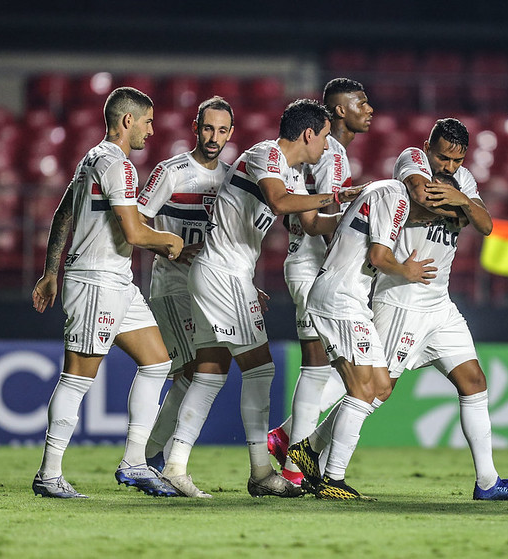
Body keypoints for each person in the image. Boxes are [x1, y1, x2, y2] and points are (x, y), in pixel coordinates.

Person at [160, 99, 363, 498]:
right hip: (223, 274)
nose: (327, 146)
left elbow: (310, 222)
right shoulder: (265, 154)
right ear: (308, 134)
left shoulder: (293, 174)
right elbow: (280, 203)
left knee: (210, 373)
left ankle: (175, 464)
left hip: (225, 275)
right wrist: (333, 197)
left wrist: (356, 211)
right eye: (323, 136)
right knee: (259, 372)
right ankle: (258, 472)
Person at [370, 118, 508, 500]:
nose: (448, 167)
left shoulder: (464, 181)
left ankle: (487, 482)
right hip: (402, 298)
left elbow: (487, 225)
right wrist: (463, 209)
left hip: (439, 304)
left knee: (474, 382)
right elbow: (421, 195)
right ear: (429, 146)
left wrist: (463, 202)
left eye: (456, 161)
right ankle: (306, 447)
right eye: (443, 158)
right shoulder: (411, 158)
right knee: (375, 391)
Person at [31, 87, 184, 499]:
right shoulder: (119, 165)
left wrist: (50, 272)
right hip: (96, 280)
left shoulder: (89, 160)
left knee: (157, 363)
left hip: (117, 281)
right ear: (127, 121)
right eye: (148, 121)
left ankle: (134, 462)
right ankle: (49, 474)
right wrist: (168, 241)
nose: (152, 131)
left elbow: (64, 214)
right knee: (77, 378)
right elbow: (134, 232)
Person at [287, 178, 440, 500]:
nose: (427, 222)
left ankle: (309, 449)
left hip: (351, 300)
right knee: (363, 389)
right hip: (339, 299)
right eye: (430, 216)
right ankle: (333, 480)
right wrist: (407, 271)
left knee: (380, 385)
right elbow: (379, 256)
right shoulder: (395, 198)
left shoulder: (384, 191)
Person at [268, 78, 374, 483]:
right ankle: (295, 465)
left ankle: (286, 439)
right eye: (361, 103)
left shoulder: (329, 150)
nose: (370, 109)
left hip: (310, 267)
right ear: (340, 110)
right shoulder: (331, 153)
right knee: (322, 366)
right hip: (315, 269)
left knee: (330, 365)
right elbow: (320, 223)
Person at [136, 96, 236, 473]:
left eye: (221, 130)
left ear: (230, 133)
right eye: (208, 128)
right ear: (196, 128)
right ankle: (149, 455)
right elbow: (136, 224)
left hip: (210, 290)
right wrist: (173, 249)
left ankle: (149, 453)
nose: (214, 137)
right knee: (193, 369)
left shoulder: (230, 177)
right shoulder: (171, 170)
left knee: (199, 370)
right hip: (172, 285)